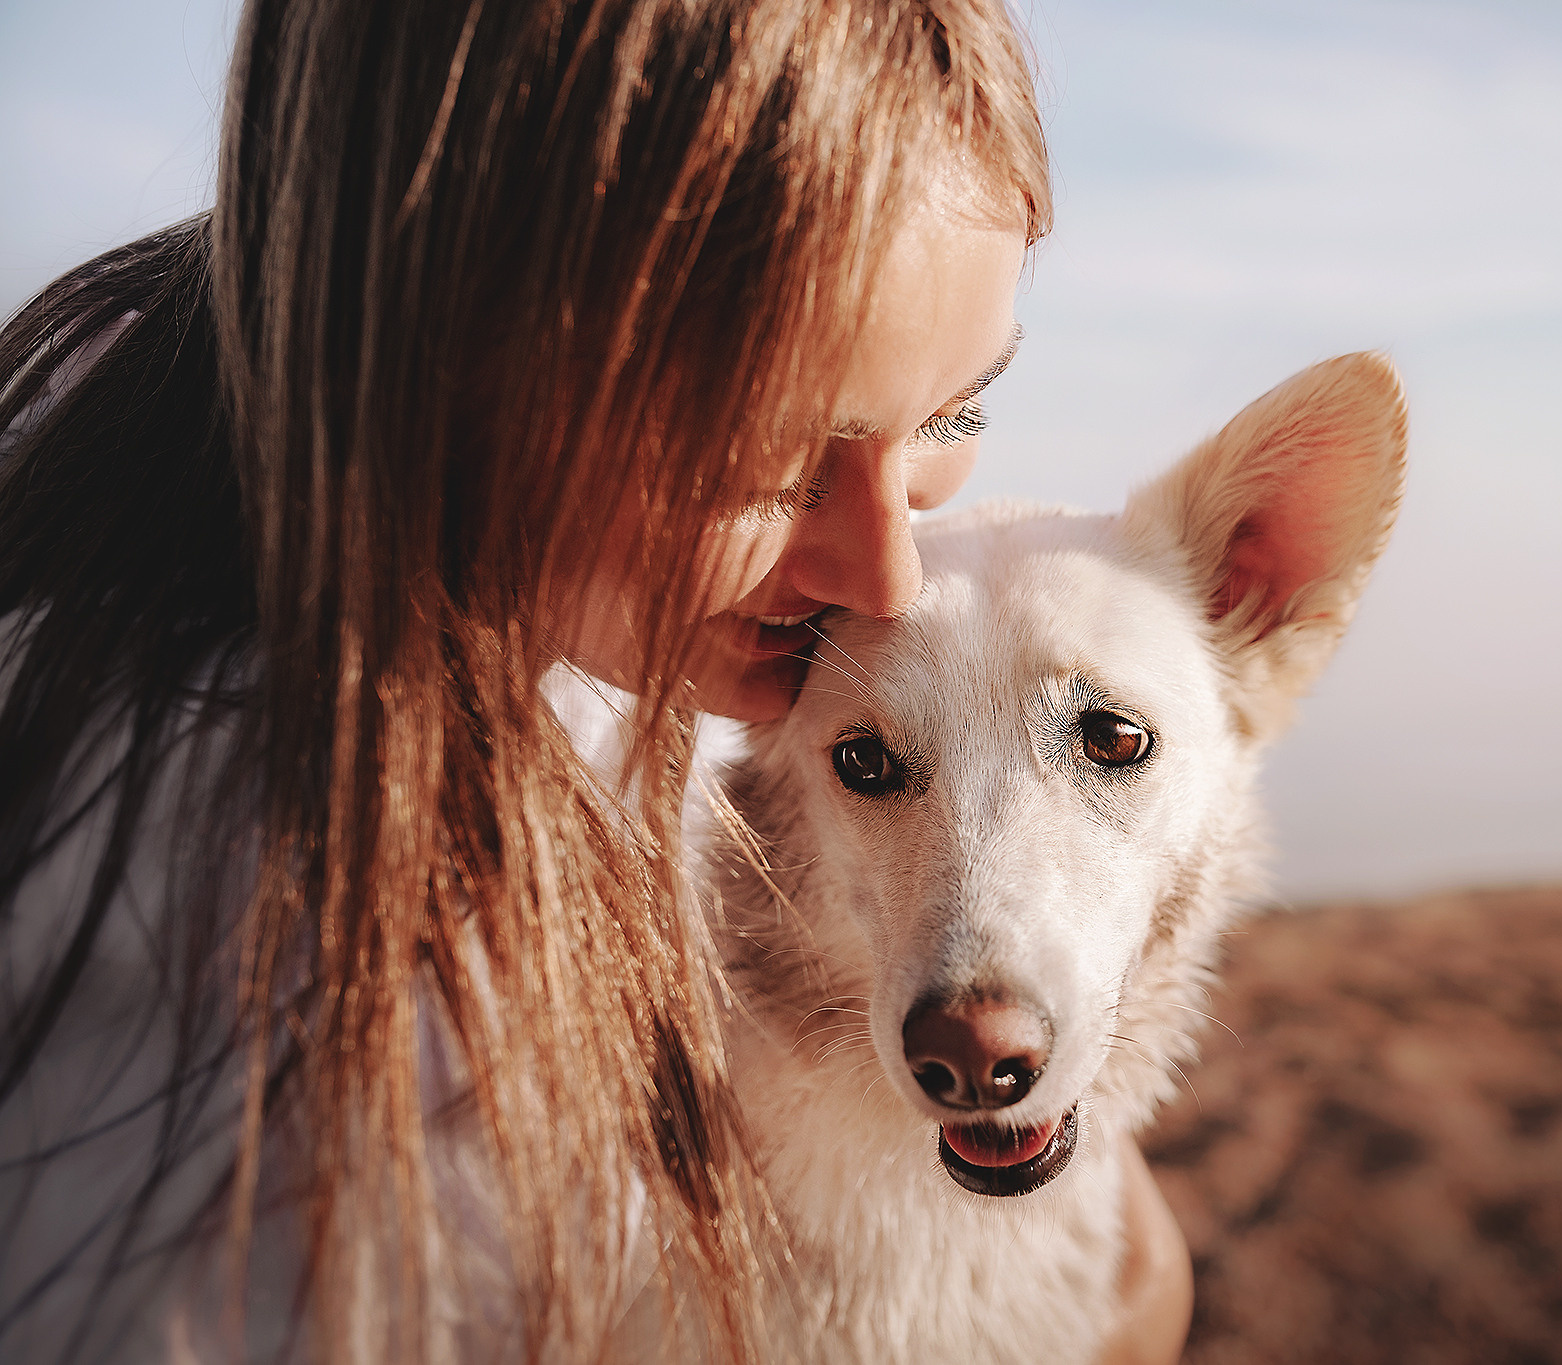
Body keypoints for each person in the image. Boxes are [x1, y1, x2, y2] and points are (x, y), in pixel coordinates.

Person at [0, 2, 1190, 1360]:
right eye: (755, 456)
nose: (887, 573)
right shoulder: (311, 1028)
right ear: (436, 356)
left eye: (955, 413)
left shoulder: (210, 414)